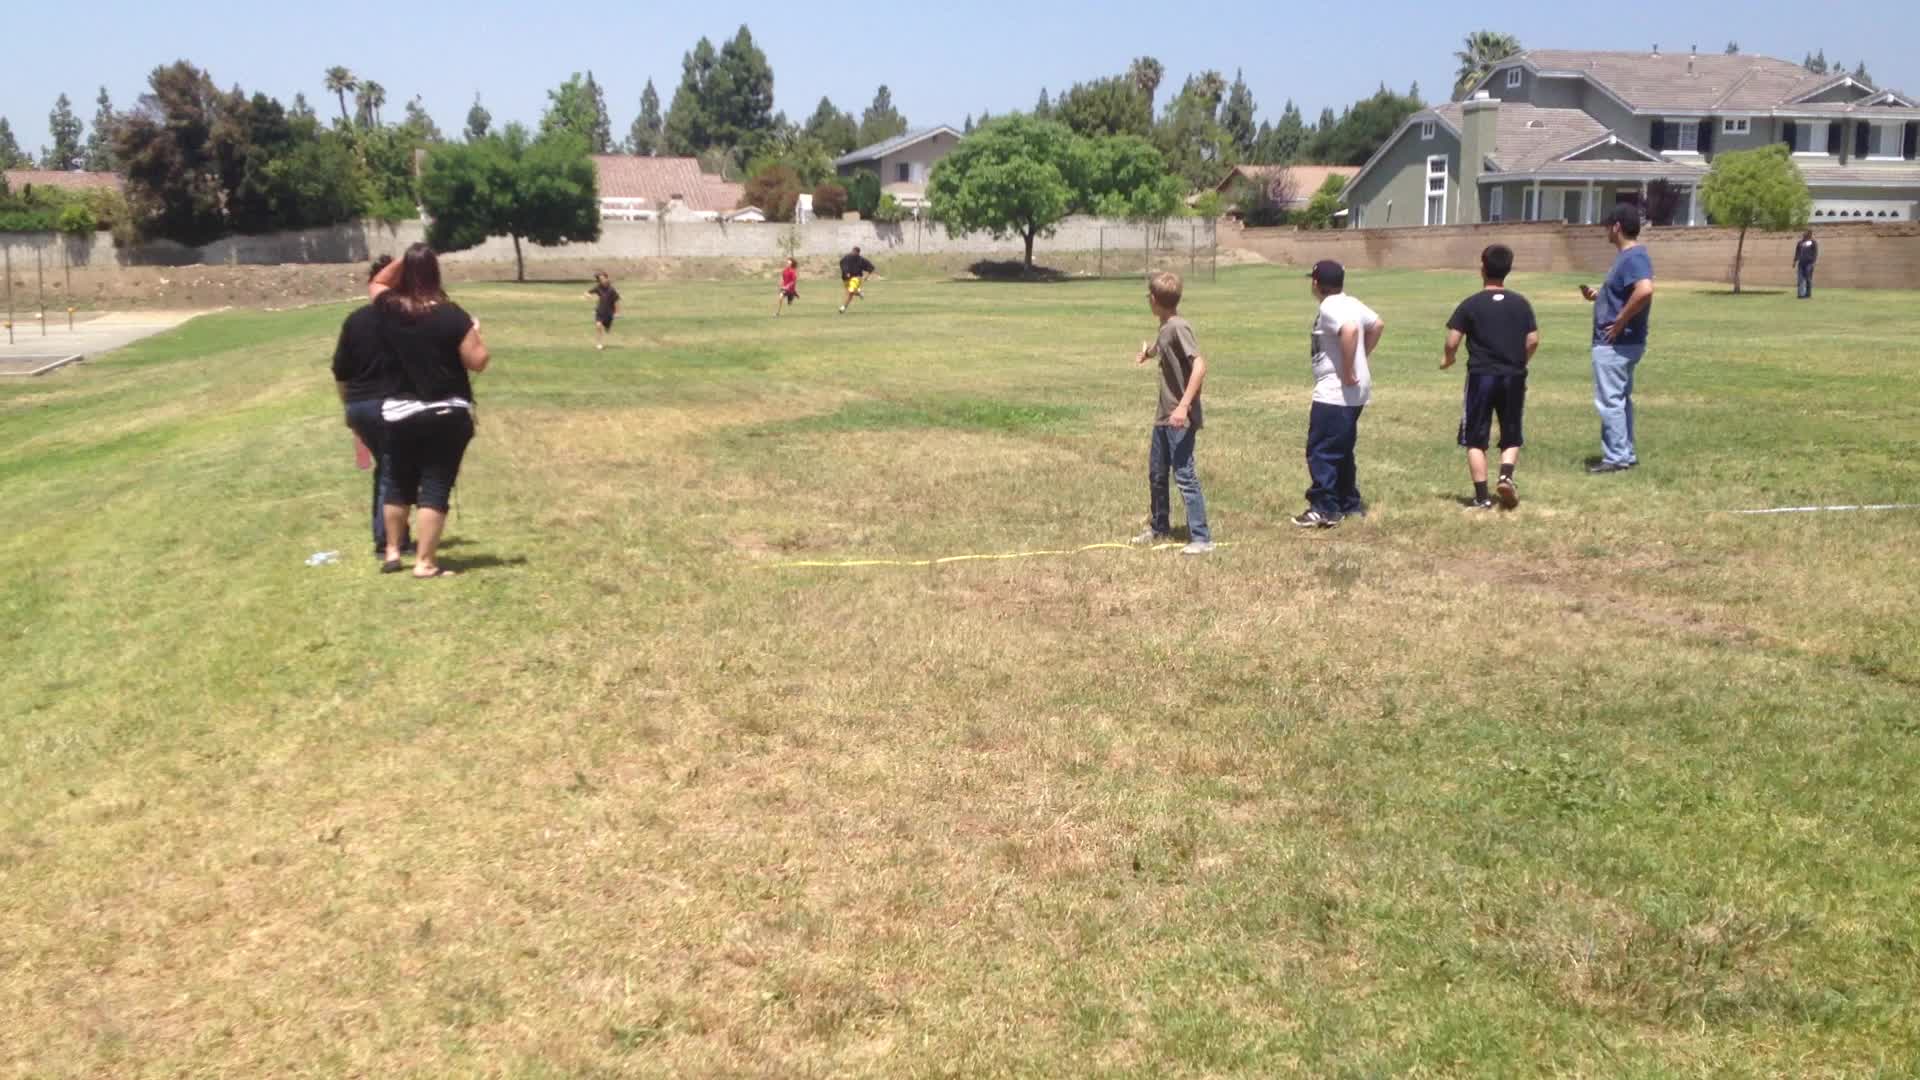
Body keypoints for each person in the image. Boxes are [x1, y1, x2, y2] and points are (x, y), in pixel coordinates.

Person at [368, 244, 490, 578]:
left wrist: (406, 259)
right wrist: (476, 333)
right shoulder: (452, 315)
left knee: (397, 483)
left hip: (399, 411)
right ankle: (424, 561)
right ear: (436, 273)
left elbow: (377, 282)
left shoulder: (391, 308)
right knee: (435, 485)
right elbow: (478, 362)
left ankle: (393, 551)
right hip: (445, 412)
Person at [1442, 244, 1539, 511]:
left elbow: (1452, 340)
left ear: (1482, 268)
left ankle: (1482, 497)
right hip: (1513, 376)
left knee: (1475, 437)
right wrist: (1520, 361)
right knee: (1511, 432)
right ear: (1509, 269)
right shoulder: (1521, 303)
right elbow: (1532, 340)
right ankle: (1506, 476)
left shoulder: (1471, 303)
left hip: (1481, 376)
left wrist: (1448, 358)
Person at [1293, 260, 1383, 529]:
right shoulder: (1351, 302)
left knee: (1321, 450)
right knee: (1341, 448)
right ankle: (1348, 503)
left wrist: (1348, 366)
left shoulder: (1329, 306)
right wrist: (1361, 356)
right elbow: (1377, 324)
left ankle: (1325, 508)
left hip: (1335, 391)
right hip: (1354, 391)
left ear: (1316, 283)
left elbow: (1350, 330)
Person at [331, 255, 410, 561]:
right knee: (393, 469)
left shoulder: (355, 320)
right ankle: (387, 541)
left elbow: (341, 372)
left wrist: (348, 409)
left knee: (388, 468)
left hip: (359, 405)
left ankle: (396, 536)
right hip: (391, 405)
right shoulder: (407, 320)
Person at [1129, 270, 1213, 556]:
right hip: (1163, 416)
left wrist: (1183, 406)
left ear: (1154, 300)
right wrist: (1148, 354)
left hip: (1179, 417)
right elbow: (1162, 346)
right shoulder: (1166, 326)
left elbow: (1199, 365)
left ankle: (1201, 538)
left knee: (1184, 475)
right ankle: (1159, 527)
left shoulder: (1179, 327)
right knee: (1157, 474)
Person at [1580, 206, 1655, 474]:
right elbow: (1626, 292)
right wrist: (1600, 295)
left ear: (1617, 227)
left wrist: (1621, 320)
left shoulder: (1633, 256)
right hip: (1622, 342)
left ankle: (1616, 458)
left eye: (1607, 225)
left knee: (1610, 401)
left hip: (1616, 343)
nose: (1606, 231)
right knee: (1620, 400)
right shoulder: (1630, 257)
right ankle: (1625, 453)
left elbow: (1644, 290)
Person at [586, 271, 620, 349]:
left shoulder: (611, 290)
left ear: (607, 278)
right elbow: (587, 292)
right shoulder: (598, 287)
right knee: (598, 326)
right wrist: (588, 295)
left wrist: (617, 313)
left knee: (607, 329)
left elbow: (616, 301)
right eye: (600, 279)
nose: (602, 280)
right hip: (600, 311)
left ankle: (607, 327)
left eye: (603, 278)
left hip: (609, 313)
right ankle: (599, 344)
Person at [839, 246, 874, 314]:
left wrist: (867, 276)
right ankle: (859, 293)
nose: (853, 253)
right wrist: (846, 272)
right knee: (850, 292)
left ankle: (843, 308)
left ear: (858, 253)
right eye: (852, 251)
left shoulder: (861, 260)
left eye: (854, 252)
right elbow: (842, 264)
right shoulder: (846, 258)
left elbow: (871, 267)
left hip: (856, 278)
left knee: (850, 292)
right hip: (846, 278)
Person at [1794, 230, 1818, 300]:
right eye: (1804, 233)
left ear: (1809, 234)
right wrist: (1794, 261)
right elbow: (1797, 252)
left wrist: (1814, 262)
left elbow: (1815, 253)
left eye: (1806, 233)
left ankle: (1808, 294)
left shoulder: (1813, 242)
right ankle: (1801, 294)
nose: (1804, 234)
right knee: (1800, 279)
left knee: (1808, 279)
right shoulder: (1800, 243)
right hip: (1801, 263)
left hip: (1809, 263)